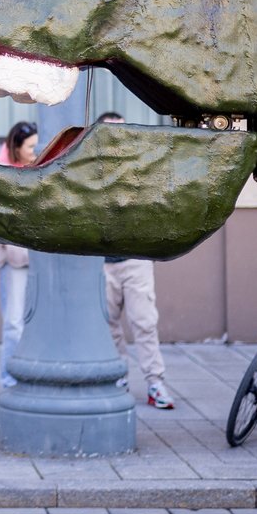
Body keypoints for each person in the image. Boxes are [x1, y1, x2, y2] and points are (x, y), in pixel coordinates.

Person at [97, 112, 176, 409]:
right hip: (102, 262)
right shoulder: (93, 169)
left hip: (135, 258)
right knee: (108, 324)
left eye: (121, 131)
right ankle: (119, 376)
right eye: (109, 132)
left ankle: (155, 382)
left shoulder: (138, 167)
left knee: (144, 322)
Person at [0, 121, 36, 389]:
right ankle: (10, 377)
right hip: (15, 261)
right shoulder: (4, 175)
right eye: (31, 147)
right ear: (17, 147)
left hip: (38, 260)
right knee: (13, 323)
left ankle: (28, 373)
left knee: (32, 322)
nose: (35, 151)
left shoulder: (36, 170)